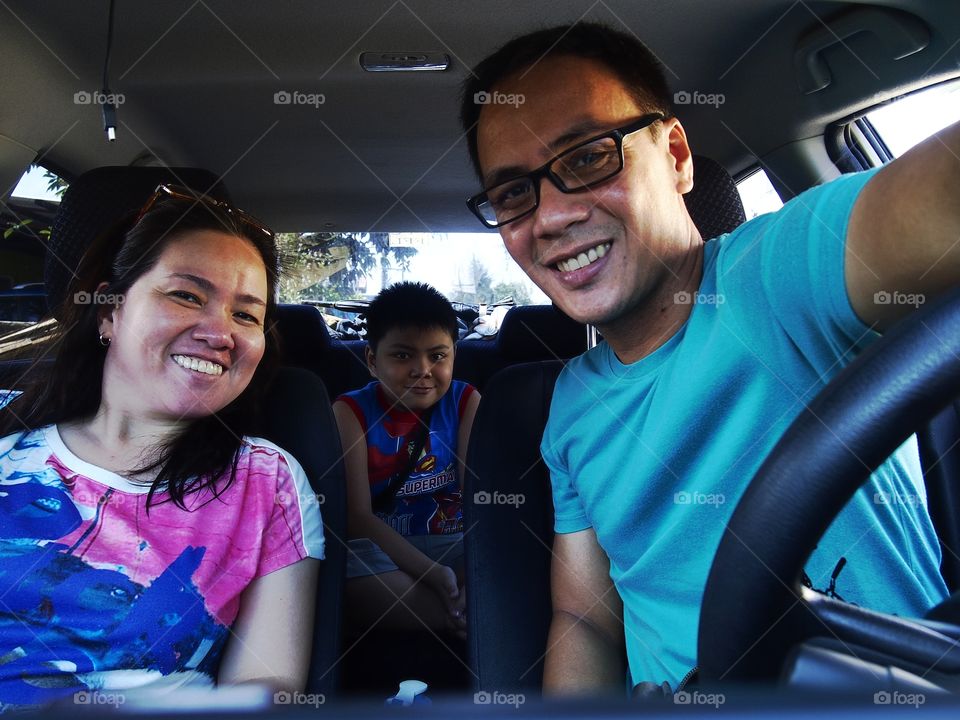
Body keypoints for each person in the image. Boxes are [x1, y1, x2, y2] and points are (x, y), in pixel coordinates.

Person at [459, 23, 960, 695]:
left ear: (675, 156)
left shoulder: (778, 271)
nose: (549, 217)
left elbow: (935, 202)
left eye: (586, 157)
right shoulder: (569, 407)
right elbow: (584, 617)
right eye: (514, 193)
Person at [0, 185, 324, 709]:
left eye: (246, 315)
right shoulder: (9, 459)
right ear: (109, 313)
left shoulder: (266, 482)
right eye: (187, 295)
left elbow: (266, 689)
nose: (220, 333)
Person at [332, 282, 480, 640]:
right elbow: (357, 517)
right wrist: (433, 574)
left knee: (503, 553)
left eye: (438, 355)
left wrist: (457, 572)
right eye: (402, 356)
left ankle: (448, 612)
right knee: (339, 570)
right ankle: (459, 619)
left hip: (454, 541)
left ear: (454, 356)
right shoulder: (349, 411)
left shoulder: (465, 402)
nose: (423, 369)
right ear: (372, 360)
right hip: (383, 549)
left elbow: (477, 498)